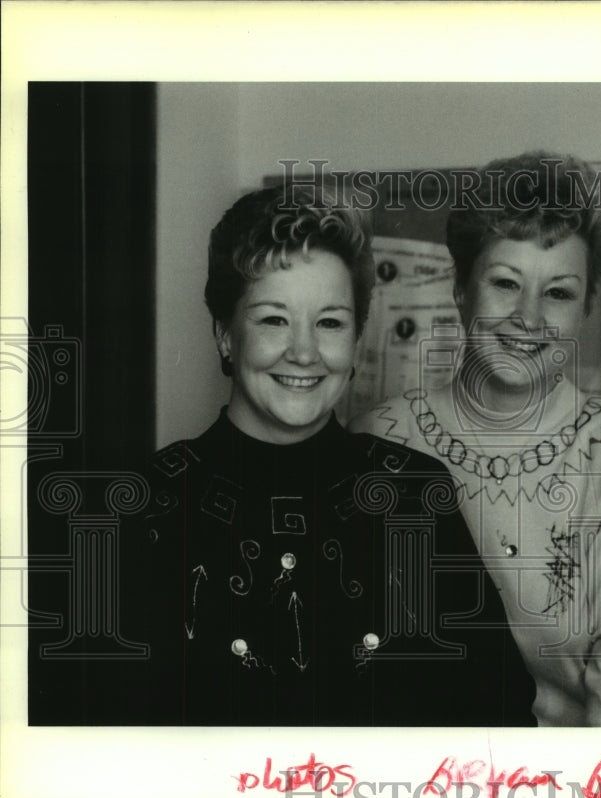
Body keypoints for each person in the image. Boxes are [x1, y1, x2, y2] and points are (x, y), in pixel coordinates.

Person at [104, 183, 536, 726]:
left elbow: (500, 722)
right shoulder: (142, 505)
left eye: (329, 322)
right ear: (225, 336)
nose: (305, 352)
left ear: (356, 342)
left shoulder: (414, 496)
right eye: (273, 319)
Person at [350, 151, 601, 727]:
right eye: (506, 283)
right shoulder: (381, 440)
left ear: (586, 308)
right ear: (461, 288)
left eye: (558, 293)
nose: (529, 318)